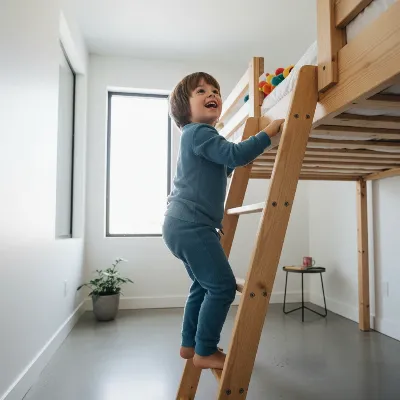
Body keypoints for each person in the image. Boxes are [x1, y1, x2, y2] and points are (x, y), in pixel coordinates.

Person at [162, 72, 284, 370]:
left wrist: (233, 161)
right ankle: (205, 349)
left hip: (180, 224)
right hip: (192, 224)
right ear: (184, 109)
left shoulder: (199, 139)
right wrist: (267, 134)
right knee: (222, 287)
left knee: (202, 286)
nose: (211, 93)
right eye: (200, 91)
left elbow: (225, 164)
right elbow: (235, 154)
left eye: (215, 89)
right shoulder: (199, 132)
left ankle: (189, 343)